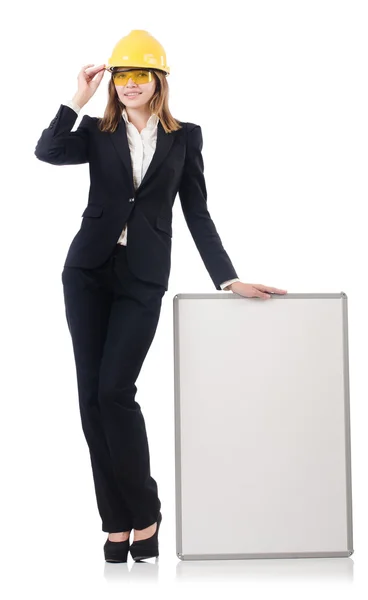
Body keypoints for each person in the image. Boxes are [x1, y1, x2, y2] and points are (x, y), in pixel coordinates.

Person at [34, 29, 287, 563]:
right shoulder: (98, 132)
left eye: (139, 75)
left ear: (158, 81)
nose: (129, 84)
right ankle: (117, 523)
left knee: (114, 393)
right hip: (86, 272)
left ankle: (145, 512)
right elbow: (48, 151)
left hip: (142, 278)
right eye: (121, 76)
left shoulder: (185, 136)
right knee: (90, 401)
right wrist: (75, 100)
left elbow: (196, 211)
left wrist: (227, 277)